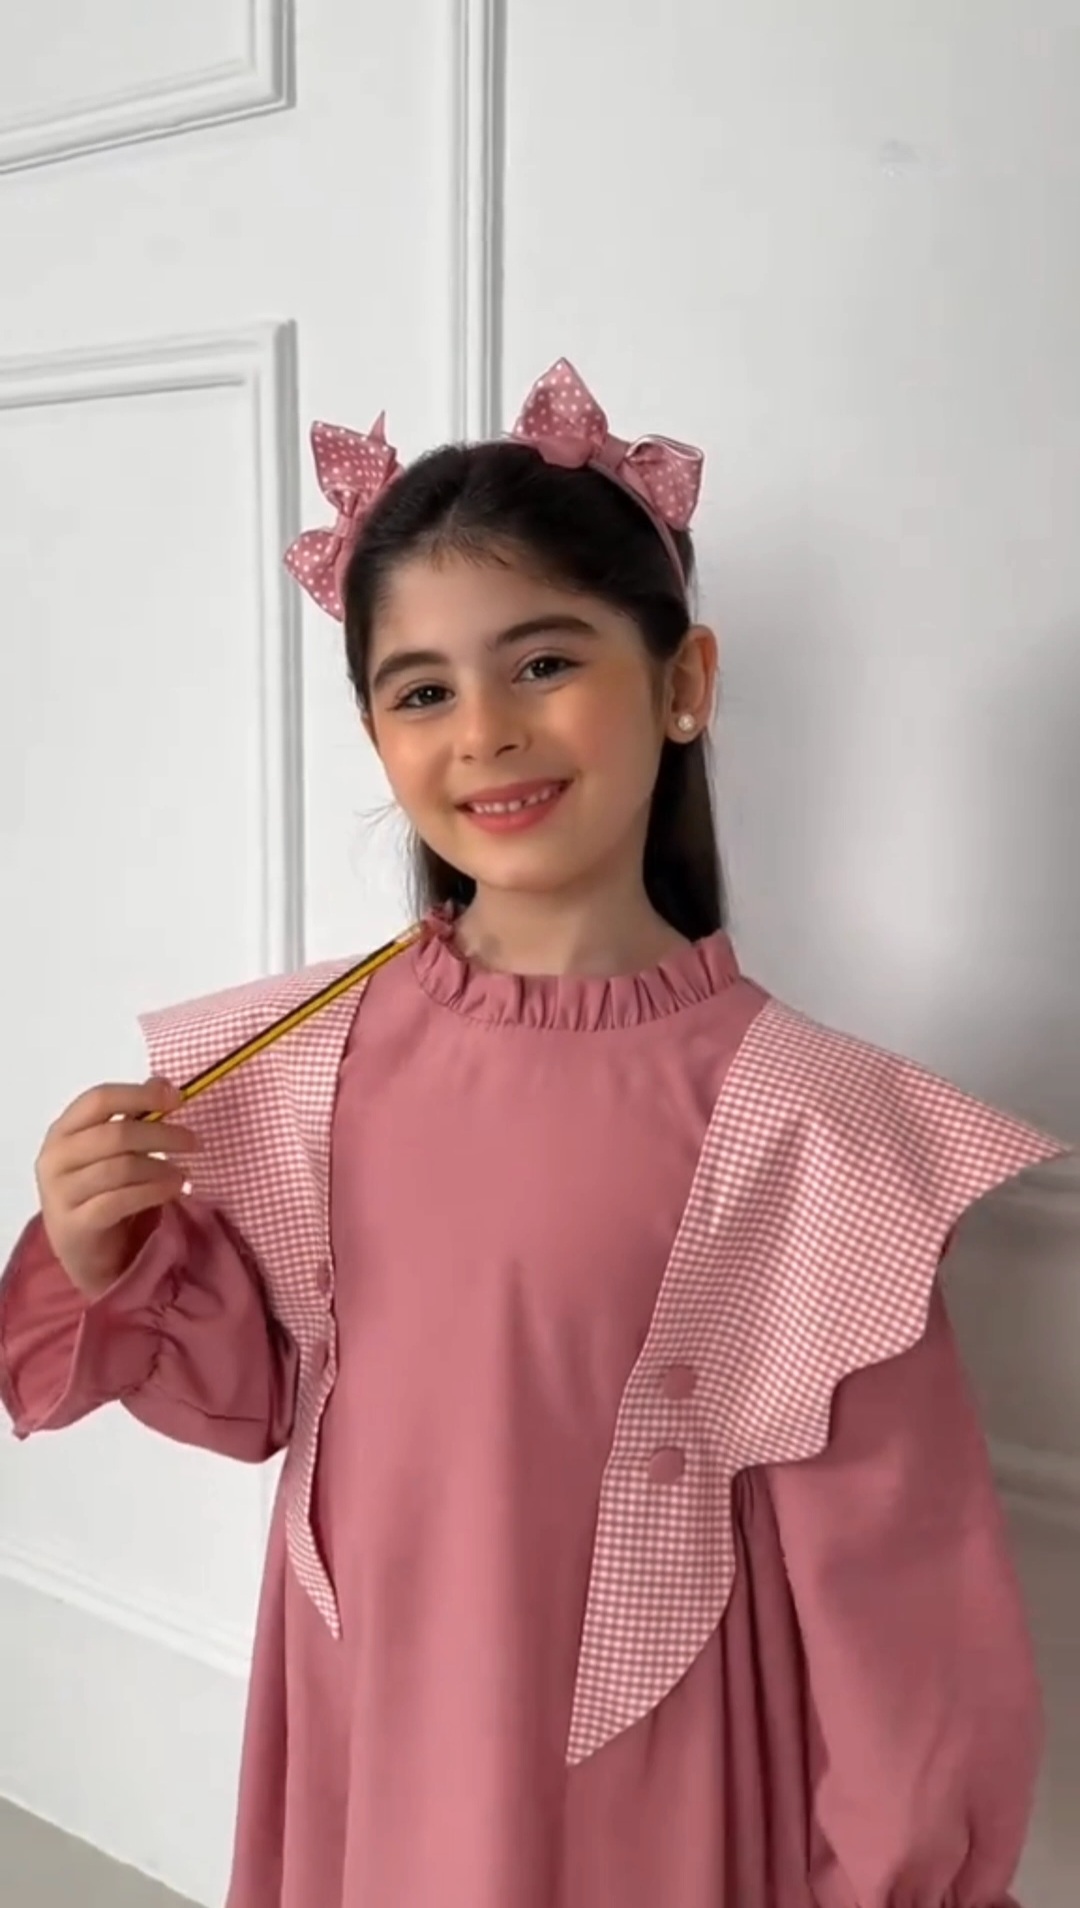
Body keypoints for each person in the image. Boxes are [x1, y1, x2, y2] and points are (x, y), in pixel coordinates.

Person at [0, 359, 1069, 1908]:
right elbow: (253, 1398)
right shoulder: (294, 1064)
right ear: (376, 736)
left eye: (544, 662)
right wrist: (105, 1252)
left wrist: (903, 1869)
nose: (485, 732)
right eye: (422, 690)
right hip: (373, 1740)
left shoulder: (811, 1134)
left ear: (684, 683)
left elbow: (901, 1590)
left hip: (653, 1794)